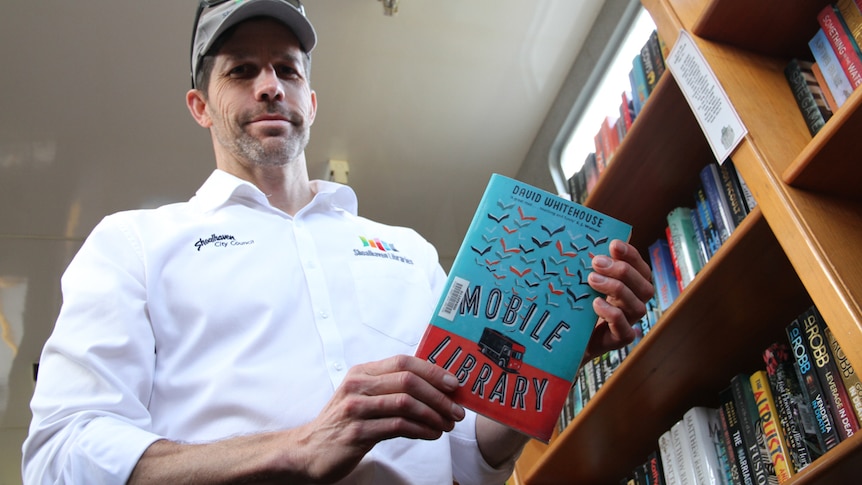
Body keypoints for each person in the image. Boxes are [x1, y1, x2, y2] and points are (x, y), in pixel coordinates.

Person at [22, 1, 655, 483]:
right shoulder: (134, 242)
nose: (269, 85)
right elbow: (59, 453)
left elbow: (469, 458)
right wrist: (296, 446)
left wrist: (561, 346)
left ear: (311, 101)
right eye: (242, 70)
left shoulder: (408, 252)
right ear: (199, 106)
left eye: (286, 70)